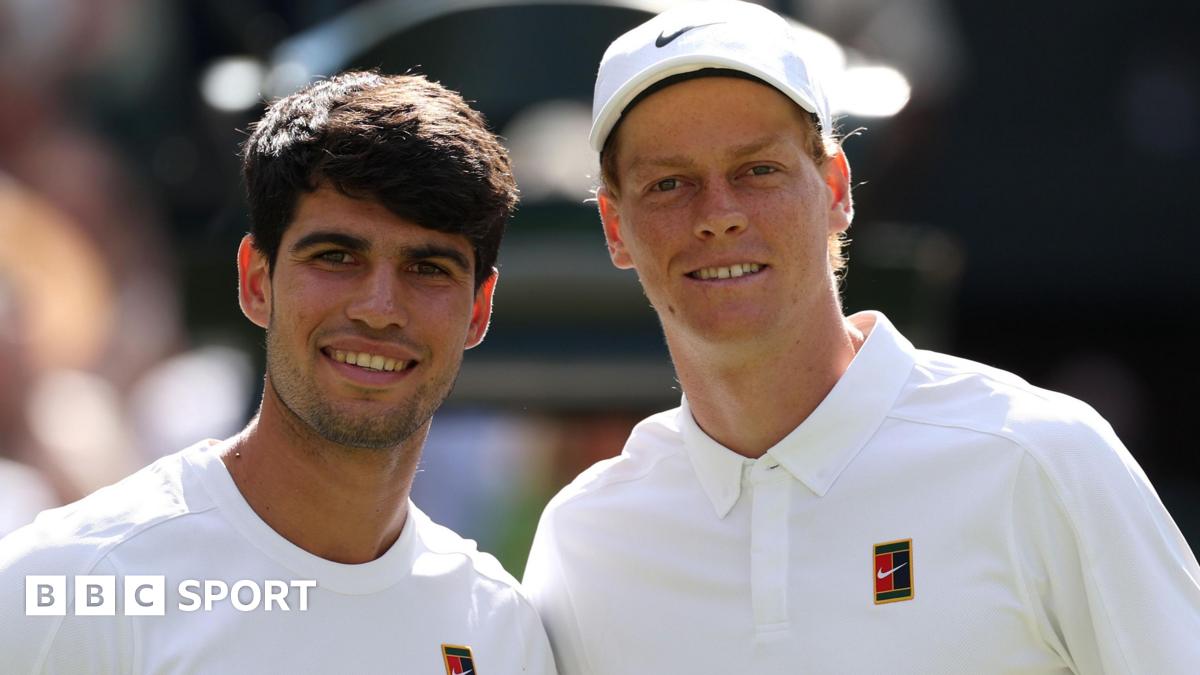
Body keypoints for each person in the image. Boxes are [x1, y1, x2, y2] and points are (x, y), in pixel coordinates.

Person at [522, 2, 1200, 673]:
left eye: (758, 170)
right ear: (615, 227)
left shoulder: (1040, 458)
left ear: (836, 187)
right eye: (670, 183)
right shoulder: (586, 538)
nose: (719, 215)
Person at [0, 71, 556, 674]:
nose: (378, 308)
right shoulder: (71, 585)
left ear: (478, 310)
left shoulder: (500, 626)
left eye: (427, 269)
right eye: (336, 257)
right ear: (256, 281)